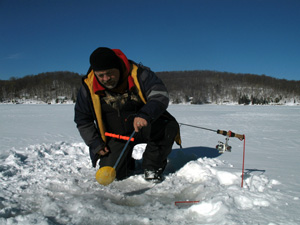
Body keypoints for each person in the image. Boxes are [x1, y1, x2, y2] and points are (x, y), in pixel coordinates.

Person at [74, 47, 181, 183]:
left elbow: (160, 94)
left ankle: (153, 166)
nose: (105, 79)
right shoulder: (88, 87)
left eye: (110, 74)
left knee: (168, 127)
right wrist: (95, 144)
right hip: (116, 135)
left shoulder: (139, 74)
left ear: (118, 67)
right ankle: (126, 163)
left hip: (144, 126)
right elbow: (83, 120)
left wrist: (145, 114)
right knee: (115, 175)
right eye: (100, 75)